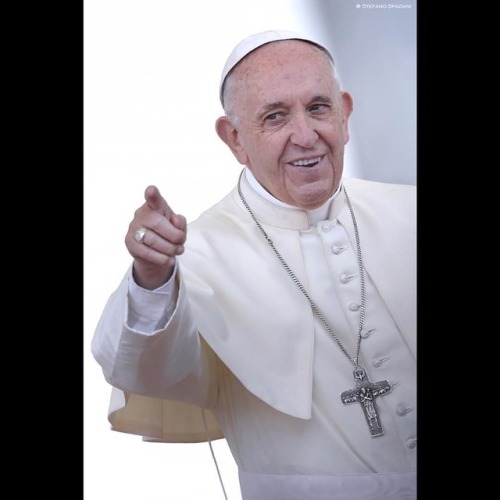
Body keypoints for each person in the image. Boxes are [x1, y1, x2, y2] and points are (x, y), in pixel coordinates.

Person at [91, 29, 416, 500]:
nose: (306, 136)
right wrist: (151, 278)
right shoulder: (197, 255)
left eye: (319, 108)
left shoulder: (409, 214)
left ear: (345, 114)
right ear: (235, 138)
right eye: (275, 116)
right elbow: (141, 370)